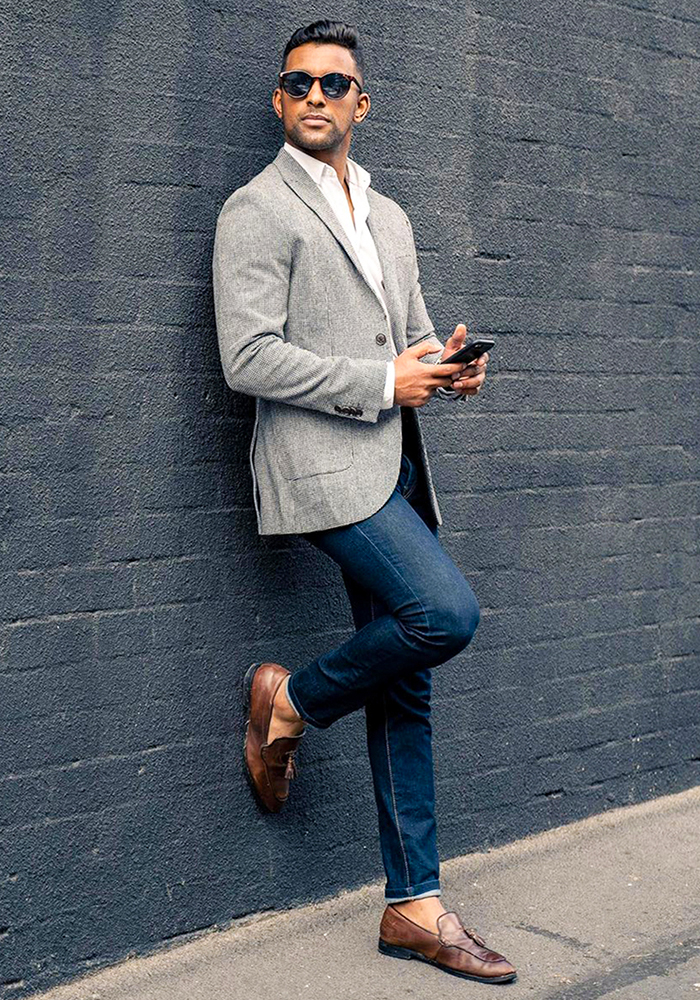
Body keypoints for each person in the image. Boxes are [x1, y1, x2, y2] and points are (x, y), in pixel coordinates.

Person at [212, 18, 517, 986]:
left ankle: (412, 904)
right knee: (443, 614)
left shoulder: (388, 216)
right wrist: (385, 382)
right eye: (296, 82)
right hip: (319, 465)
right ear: (278, 100)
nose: (313, 96)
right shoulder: (253, 212)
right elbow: (247, 357)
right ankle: (290, 701)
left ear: (360, 104)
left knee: (408, 685)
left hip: (397, 465)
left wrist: (446, 370)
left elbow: (412, 337)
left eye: (332, 84)